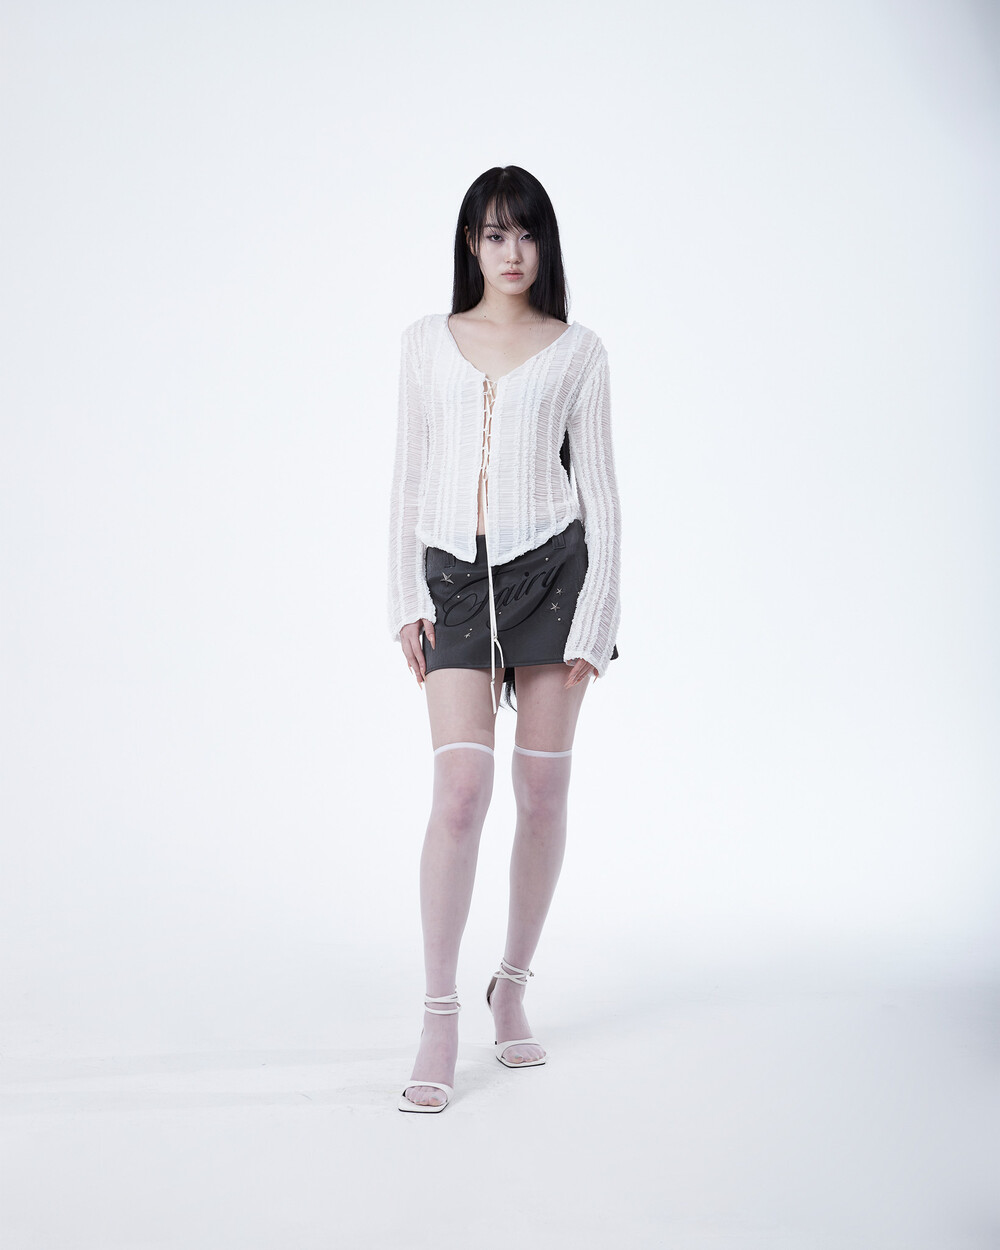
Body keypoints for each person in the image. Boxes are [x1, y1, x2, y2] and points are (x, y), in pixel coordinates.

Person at [387, 165, 622, 1112]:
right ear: (470, 245)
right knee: (459, 795)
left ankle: (512, 986)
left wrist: (599, 616)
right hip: (452, 581)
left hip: (554, 578)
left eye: (525, 234)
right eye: (494, 234)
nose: (511, 252)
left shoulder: (579, 352)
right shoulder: (424, 343)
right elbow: (408, 477)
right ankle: (439, 1013)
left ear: (544, 244)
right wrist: (404, 596)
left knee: (542, 793)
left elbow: (602, 494)